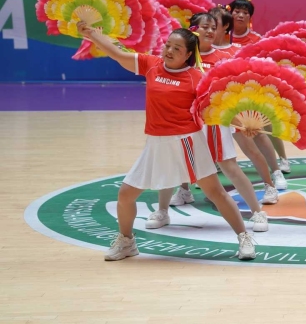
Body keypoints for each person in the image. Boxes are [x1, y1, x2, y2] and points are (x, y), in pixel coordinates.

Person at [76, 21, 257, 261]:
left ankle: (244, 237)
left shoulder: (196, 78)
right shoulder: (151, 65)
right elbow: (118, 54)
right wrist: (92, 35)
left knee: (216, 192)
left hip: (187, 142)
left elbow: (217, 108)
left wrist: (242, 124)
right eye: (168, 45)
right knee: (126, 195)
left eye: (177, 49)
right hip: (155, 142)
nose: (169, 51)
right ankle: (127, 242)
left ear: (188, 55)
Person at [158, 13, 270, 232]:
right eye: (205, 27)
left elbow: (232, 92)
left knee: (229, 166)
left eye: (213, 27)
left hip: (215, 120)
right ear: (193, 29)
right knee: (173, 164)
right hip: (184, 121)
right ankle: (163, 211)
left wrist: (241, 120)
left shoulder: (224, 58)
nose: (210, 31)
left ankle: (257, 212)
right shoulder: (182, 57)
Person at [226, 0, 292, 180]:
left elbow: (266, 65)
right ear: (230, 13)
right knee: (221, 125)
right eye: (237, 11)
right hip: (229, 91)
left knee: (266, 125)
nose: (240, 15)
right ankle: (219, 161)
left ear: (250, 17)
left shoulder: (257, 40)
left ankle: (282, 160)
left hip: (252, 89)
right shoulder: (222, 36)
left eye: (245, 13)